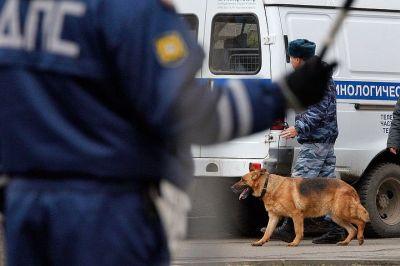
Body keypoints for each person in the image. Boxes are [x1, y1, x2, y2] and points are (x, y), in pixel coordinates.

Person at [0, 1, 334, 265]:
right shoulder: (126, 11)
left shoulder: (12, 11)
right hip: (104, 212)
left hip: (25, 205)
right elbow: (192, 114)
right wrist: (283, 95)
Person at [262, 39, 344, 244]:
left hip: (316, 141)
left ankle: (289, 228)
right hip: (323, 139)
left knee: (297, 183)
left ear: (297, 59)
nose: (290, 61)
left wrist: (298, 128)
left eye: (290, 58)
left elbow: (317, 112)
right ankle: (336, 229)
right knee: (327, 188)